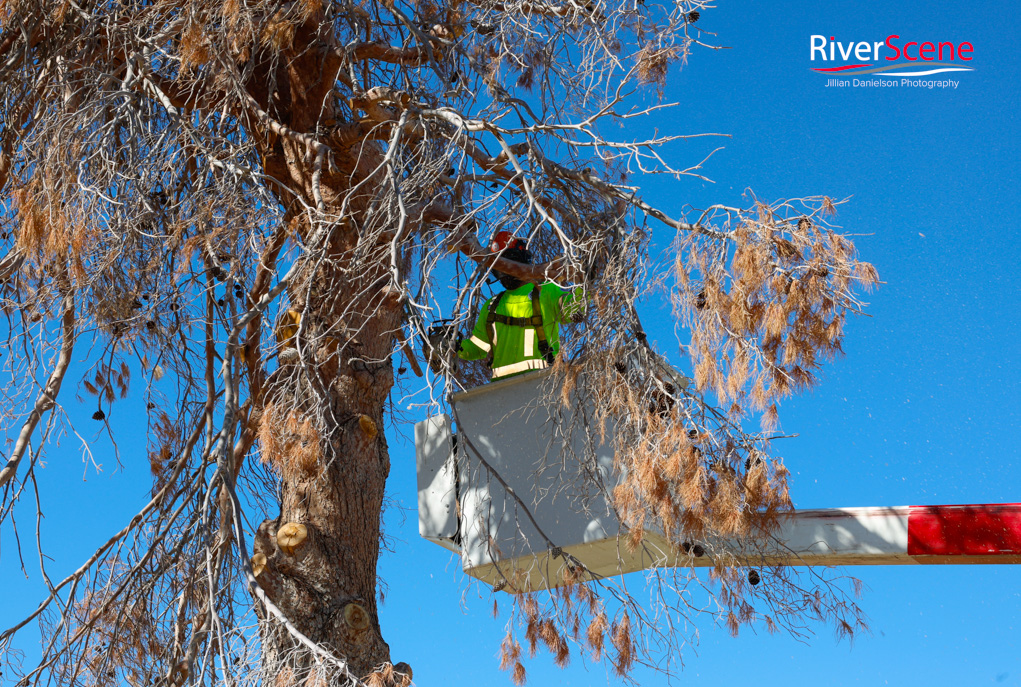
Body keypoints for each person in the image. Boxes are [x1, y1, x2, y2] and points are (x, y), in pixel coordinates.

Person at [456, 232, 584, 381]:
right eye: (498, 268)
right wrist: (452, 346)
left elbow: (573, 309)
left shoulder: (545, 291)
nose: (504, 272)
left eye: (507, 265)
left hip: (542, 381)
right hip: (500, 388)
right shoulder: (492, 305)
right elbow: (477, 348)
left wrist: (585, 281)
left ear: (520, 262)